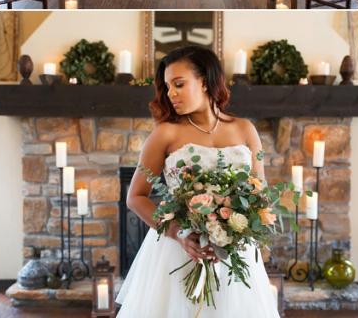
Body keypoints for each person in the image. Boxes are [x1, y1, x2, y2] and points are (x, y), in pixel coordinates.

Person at [116, 45, 278, 317]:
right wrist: (179, 233)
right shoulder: (165, 134)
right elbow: (135, 197)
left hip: (234, 255)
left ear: (205, 81)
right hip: (180, 251)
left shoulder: (245, 129)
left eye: (179, 84)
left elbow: (259, 193)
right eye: (167, 87)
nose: (171, 94)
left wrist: (235, 229)